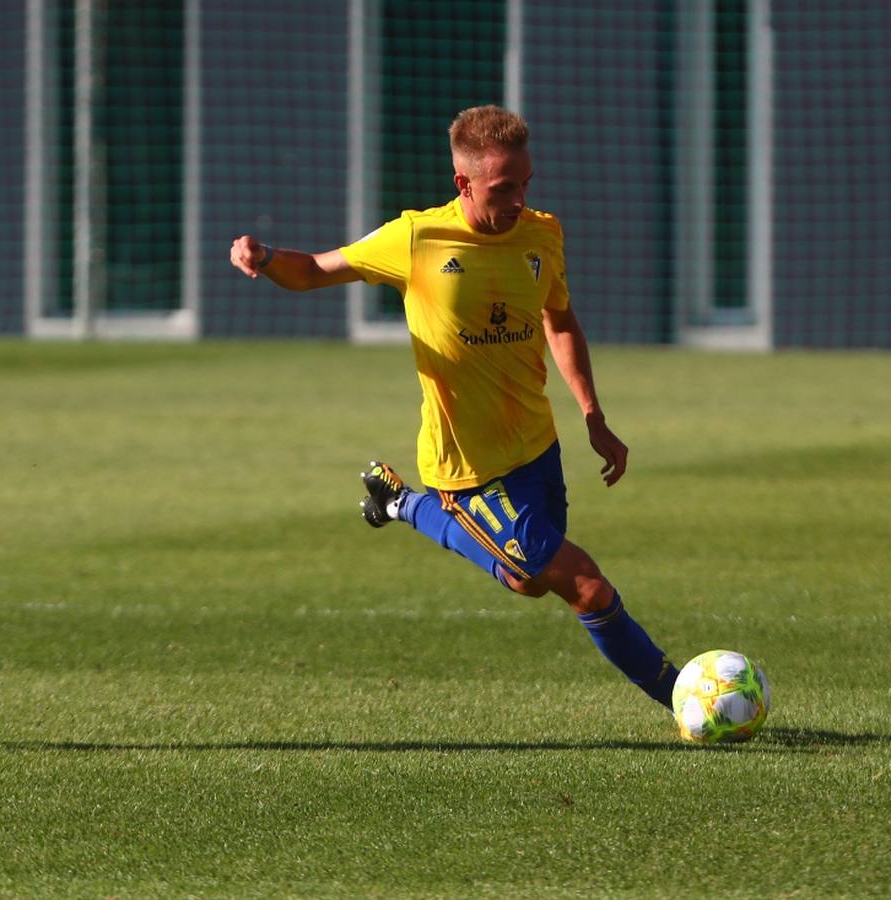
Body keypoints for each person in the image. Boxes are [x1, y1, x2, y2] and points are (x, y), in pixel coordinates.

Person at [229, 105, 678, 712]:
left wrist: (593, 415)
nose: (519, 199)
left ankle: (400, 503)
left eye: (525, 182)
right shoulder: (416, 237)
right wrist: (266, 257)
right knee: (586, 587)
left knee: (527, 581)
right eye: (503, 188)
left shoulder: (543, 233)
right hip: (469, 468)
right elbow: (313, 270)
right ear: (463, 184)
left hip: (537, 448)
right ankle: (684, 698)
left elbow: (560, 319)